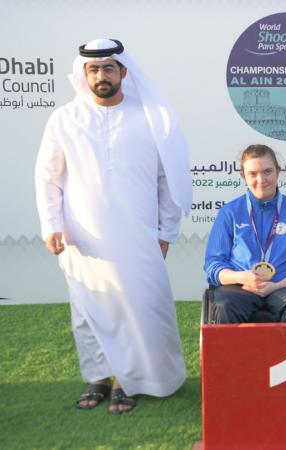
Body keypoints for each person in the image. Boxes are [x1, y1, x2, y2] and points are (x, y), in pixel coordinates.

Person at [34, 39, 192, 414]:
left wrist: (166, 231)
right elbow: (47, 178)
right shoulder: (64, 119)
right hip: (83, 236)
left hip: (138, 234)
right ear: (83, 73)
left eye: (108, 68)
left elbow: (167, 180)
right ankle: (99, 377)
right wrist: (52, 224)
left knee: (140, 307)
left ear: (123, 72)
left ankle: (130, 379)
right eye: (93, 69)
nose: (101, 75)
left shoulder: (150, 117)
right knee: (89, 309)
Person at [204, 144, 286, 324]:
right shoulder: (229, 213)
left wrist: (278, 285)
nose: (261, 179)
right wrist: (241, 277)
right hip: (239, 287)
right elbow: (213, 264)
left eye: (267, 171)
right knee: (224, 304)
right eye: (253, 174)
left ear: (278, 172)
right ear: (243, 176)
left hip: (285, 287)